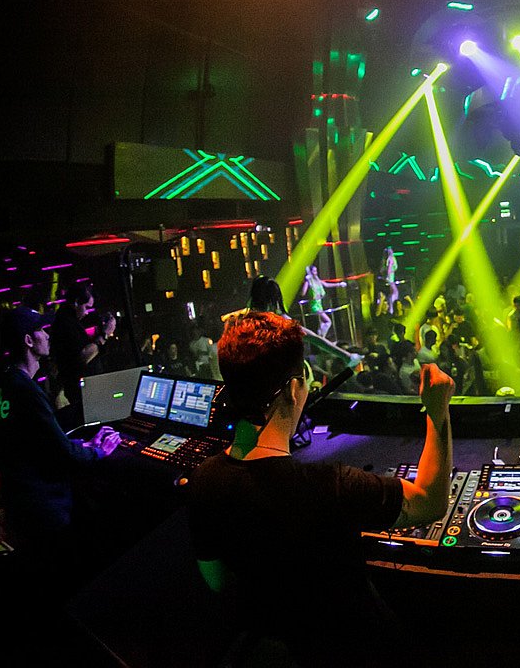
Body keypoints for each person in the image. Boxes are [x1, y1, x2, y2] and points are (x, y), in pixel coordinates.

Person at [186, 312, 454, 666]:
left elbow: (217, 580)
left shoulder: (203, 480)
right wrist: (437, 411)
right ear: (293, 389)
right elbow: (430, 501)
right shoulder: (331, 486)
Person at [0, 307, 121, 580]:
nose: (47, 335)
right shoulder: (26, 390)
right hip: (46, 511)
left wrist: (82, 444)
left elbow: (34, 443)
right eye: (41, 330)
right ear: (29, 341)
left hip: (22, 508)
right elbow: (63, 453)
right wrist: (99, 451)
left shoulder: (6, 384)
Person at [49, 282, 114, 430]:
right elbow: (82, 357)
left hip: (83, 392)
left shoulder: (67, 321)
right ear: (77, 302)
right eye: (86, 307)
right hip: (79, 395)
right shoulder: (65, 323)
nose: (87, 313)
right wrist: (105, 335)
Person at [301, 264, 346, 339]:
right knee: (328, 321)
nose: (316, 273)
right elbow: (303, 293)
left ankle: (320, 337)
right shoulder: (309, 282)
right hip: (314, 306)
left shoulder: (317, 281)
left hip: (319, 305)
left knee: (322, 324)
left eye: (316, 271)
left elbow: (327, 285)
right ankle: (321, 338)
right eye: (314, 271)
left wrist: (339, 284)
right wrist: (306, 280)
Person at [381, 246, 400, 315]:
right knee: (394, 292)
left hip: (390, 278)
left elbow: (393, 267)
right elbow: (387, 269)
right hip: (389, 278)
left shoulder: (391, 258)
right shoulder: (388, 259)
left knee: (393, 292)